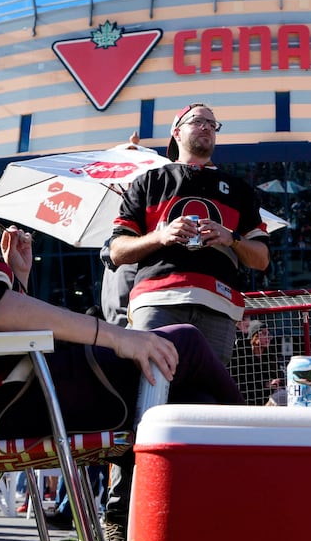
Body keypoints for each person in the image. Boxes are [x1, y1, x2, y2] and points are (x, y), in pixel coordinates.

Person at [0, 115, 242, 541]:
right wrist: (115, 335)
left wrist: (17, 280)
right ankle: (266, 485)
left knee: (191, 399)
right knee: (181, 343)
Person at [107, 103, 271, 366]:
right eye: (197, 121)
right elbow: (116, 250)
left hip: (220, 306)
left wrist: (232, 238)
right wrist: (160, 236)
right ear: (176, 132)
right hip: (157, 298)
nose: (206, 126)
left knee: (204, 399)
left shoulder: (240, 190)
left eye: (212, 123)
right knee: (149, 387)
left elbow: (262, 259)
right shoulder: (148, 182)